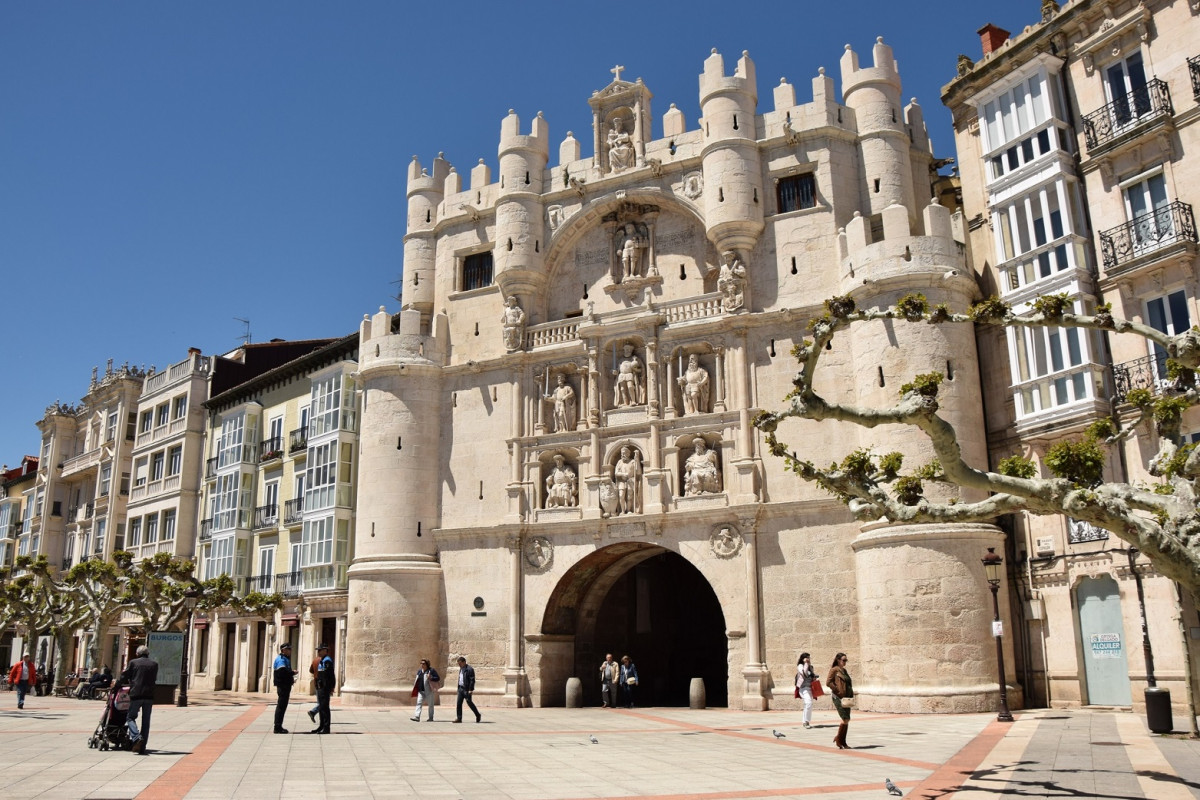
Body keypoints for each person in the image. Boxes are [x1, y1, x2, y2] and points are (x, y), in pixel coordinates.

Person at [121, 645, 159, 754]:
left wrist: (118, 684)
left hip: (136, 694)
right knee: (146, 721)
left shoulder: (133, 663)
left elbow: (125, 675)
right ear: (148, 653)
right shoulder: (154, 664)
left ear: (137, 653)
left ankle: (136, 737)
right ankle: (142, 747)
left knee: (130, 717)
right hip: (149, 695)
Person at [827, 652, 854, 749]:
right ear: (838, 660)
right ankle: (839, 739)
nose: (845, 662)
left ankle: (842, 741)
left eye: (846, 660)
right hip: (838, 697)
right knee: (845, 719)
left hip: (846, 698)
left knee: (847, 719)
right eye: (843, 660)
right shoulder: (834, 670)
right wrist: (837, 690)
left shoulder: (844, 671)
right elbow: (828, 682)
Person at [272, 643, 297, 734]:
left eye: (290, 649)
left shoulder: (285, 659)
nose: (290, 651)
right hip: (283, 686)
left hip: (285, 685)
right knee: (281, 706)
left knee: (282, 706)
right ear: (283, 650)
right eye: (288, 649)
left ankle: (279, 726)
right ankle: (277, 727)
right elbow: (282, 672)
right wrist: (292, 673)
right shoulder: (281, 659)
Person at [611, 343, 644, 407]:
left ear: (632, 350)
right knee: (622, 389)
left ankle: (633, 401)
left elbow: (641, 369)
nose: (628, 351)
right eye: (626, 349)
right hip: (621, 375)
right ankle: (625, 402)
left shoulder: (634, 359)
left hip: (629, 374)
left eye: (629, 349)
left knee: (630, 387)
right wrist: (614, 372)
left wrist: (635, 368)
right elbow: (617, 369)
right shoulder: (621, 360)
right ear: (624, 350)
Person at [311, 643, 334, 734]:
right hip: (321, 687)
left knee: (324, 708)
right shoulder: (322, 660)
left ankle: (326, 727)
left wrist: (329, 687)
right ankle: (321, 726)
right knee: (321, 707)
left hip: (324, 687)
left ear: (325, 650)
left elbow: (329, 676)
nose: (318, 652)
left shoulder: (327, 661)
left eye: (320, 650)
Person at [613, 446, 641, 515]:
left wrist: (637, 460)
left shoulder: (632, 461)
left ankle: (629, 510)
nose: (622, 455)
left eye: (624, 453)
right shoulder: (619, 462)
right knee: (621, 495)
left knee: (629, 496)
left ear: (628, 454)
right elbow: (616, 473)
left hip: (631, 480)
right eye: (622, 454)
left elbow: (638, 472)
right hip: (622, 481)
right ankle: (622, 511)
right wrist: (623, 474)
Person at [453, 656, 481, 723]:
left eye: (460, 663)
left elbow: (472, 680)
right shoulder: (461, 669)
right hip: (460, 688)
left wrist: (471, 689)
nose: (459, 665)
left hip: (466, 689)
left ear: (464, 662)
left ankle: (477, 715)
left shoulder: (469, 669)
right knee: (459, 704)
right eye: (458, 664)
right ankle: (459, 718)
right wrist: (458, 688)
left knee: (469, 703)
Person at [795, 652, 816, 729]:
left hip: (810, 688)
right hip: (803, 688)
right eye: (807, 658)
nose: (808, 659)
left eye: (809, 658)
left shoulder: (811, 667)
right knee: (808, 703)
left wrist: (814, 677)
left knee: (807, 705)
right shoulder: (800, 666)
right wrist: (806, 664)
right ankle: (806, 721)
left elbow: (811, 675)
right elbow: (805, 674)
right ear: (803, 659)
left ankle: (804, 721)